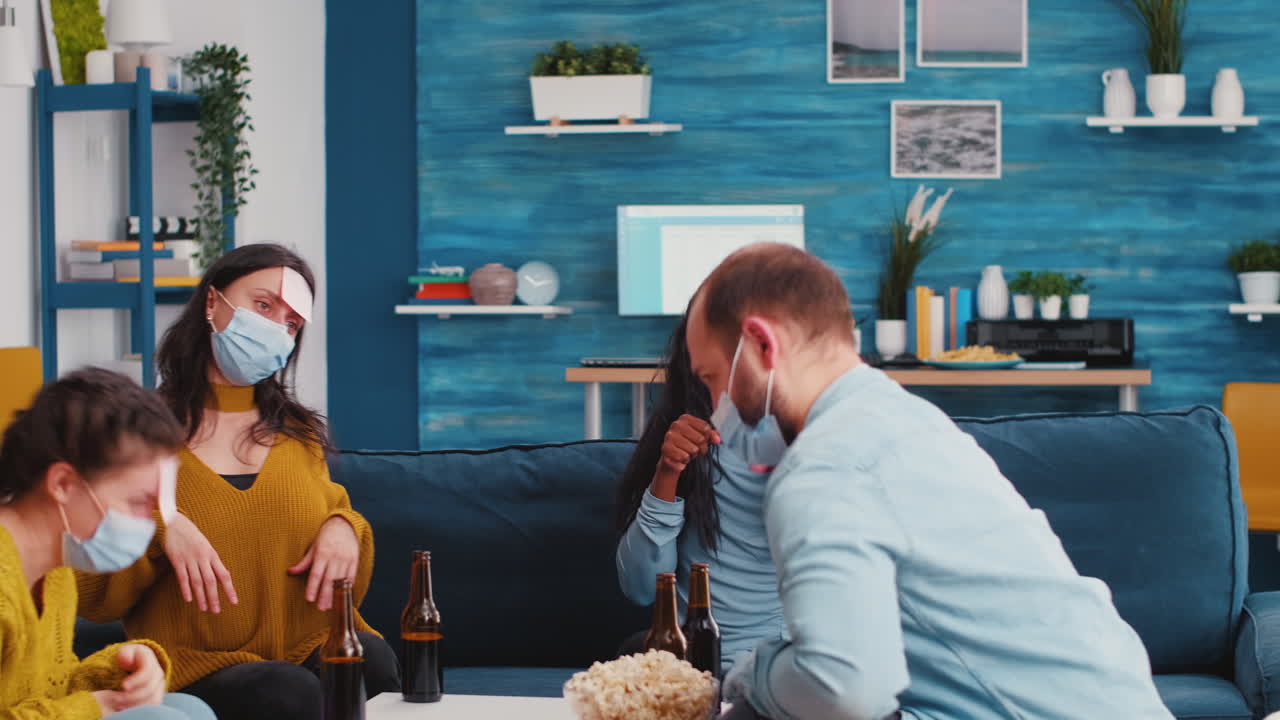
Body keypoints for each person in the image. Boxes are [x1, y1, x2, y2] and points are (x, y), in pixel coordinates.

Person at [684, 243, 1173, 720]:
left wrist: (749, 676)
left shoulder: (825, 466)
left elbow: (842, 691)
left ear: (763, 345)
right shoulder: (904, 419)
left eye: (711, 378)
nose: (714, 406)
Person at [77, 244, 399, 720]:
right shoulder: (134, 433)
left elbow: (339, 525)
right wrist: (165, 525)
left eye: (290, 323)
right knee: (284, 692)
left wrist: (345, 526)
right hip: (199, 664)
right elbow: (93, 594)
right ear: (212, 303)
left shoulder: (301, 433)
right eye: (263, 305)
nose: (274, 329)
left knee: (374, 661)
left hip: (309, 641)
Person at [0, 368, 216, 719]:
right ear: (63, 484)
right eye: (138, 502)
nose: (150, 523)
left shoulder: (56, 573)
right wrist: (88, 708)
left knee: (192, 709)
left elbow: (50, 687)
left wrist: (122, 669)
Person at [615, 317, 784, 675]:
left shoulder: (811, 445)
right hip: (691, 663)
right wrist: (668, 471)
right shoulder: (684, 437)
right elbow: (641, 588)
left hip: (780, 668)